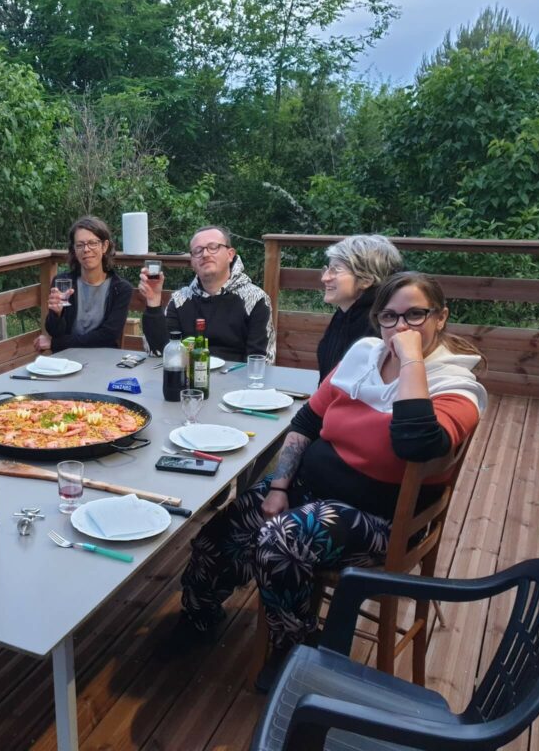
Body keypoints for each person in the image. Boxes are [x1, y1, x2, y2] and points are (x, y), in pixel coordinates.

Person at [174, 272, 486, 690]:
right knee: (219, 532)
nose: (402, 328)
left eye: (416, 315)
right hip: (309, 493)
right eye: (390, 317)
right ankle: (201, 615)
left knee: (282, 541)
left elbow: (416, 443)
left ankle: (296, 650)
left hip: (380, 521)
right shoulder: (363, 355)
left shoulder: (457, 386)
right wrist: (280, 485)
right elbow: (307, 420)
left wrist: (412, 361)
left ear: (441, 317)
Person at [140, 225, 275, 362]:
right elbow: (158, 352)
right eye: (198, 251)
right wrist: (153, 301)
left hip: (236, 380)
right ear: (192, 262)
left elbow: (261, 362)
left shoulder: (255, 299)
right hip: (187, 379)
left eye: (213, 247)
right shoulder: (179, 300)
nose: (205, 254)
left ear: (230, 254)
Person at [34, 216, 133, 353]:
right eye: (80, 245)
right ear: (74, 250)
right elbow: (55, 331)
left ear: (104, 246)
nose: (86, 249)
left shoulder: (121, 289)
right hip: (67, 360)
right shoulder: (62, 282)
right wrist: (56, 314)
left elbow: (108, 336)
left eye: (93, 243)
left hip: (104, 360)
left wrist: (57, 344)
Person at [317, 234, 403, 383]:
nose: (324, 278)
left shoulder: (380, 325)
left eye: (335, 270)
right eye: (327, 269)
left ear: (366, 280)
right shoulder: (344, 313)